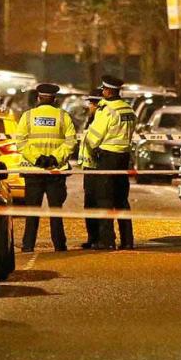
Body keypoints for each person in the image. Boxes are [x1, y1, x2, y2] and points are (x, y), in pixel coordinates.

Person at [14, 83, 76, 252]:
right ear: (54, 99)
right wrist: (55, 158)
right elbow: (71, 141)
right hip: (56, 171)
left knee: (32, 211)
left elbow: (20, 142)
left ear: (38, 98)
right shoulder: (63, 116)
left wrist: (37, 158)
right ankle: (59, 245)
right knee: (56, 210)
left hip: (33, 171)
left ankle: (28, 245)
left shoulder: (27, 116)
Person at [85, 75, 136, 249]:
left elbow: (94, 136)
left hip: (107, 157)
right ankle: (127, 241)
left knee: (104, 198)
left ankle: (107, 241)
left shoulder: (106, 109)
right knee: (122, 200)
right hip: (124, 158)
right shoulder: (128, 109)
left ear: (107, 91)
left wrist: (89, 146)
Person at [79, 89, 103, 250]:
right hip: (90, 167)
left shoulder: (100, 118)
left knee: (97, 204)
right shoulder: (92, 120)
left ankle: (99, 238)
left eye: (92, 104)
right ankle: (92, 237)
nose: (90, 107)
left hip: (98, 167)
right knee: (90, 205)